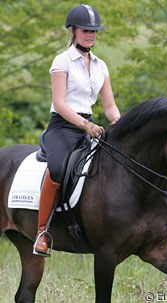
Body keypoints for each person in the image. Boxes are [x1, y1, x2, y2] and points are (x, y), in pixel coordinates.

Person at [33, 4, 121, 256]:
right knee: (59, 167)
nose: (91, 35)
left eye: (94, 31)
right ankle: (42, 231)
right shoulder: (62, 61)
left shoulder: (101, 66)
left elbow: (110, 106)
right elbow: (60, 103)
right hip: (63, 127)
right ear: (73, 31)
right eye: (86, 30)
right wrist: (85, 125)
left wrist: (120, 124)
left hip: (91, 128)